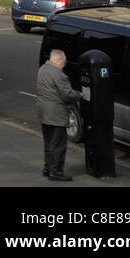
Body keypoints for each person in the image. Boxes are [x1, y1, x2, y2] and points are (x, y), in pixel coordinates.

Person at [36, 48, 81, 181]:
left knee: (49, 143)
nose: (64, 64)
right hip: (56, 114)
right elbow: (67, 94)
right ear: (59, 60)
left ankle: (48, 168)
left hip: (44, 112)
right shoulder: (59, 74)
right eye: (64, 62)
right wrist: (78, 95)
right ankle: (56, 172)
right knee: (58, 145)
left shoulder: (42, 69)